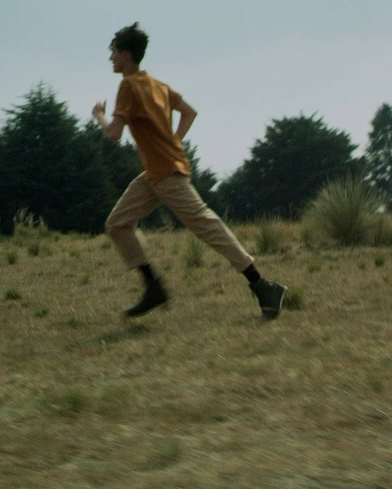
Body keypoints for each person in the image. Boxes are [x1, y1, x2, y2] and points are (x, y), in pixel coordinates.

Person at [92, 23, 286, 319]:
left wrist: (99, 115)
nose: (111, 58)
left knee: (207, 226)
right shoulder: (157, 85)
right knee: (117, 223)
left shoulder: (128, 86)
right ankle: (153, 287)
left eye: (114, 53)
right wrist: (173, 143)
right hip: (156, 174)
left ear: (126, 55)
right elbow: (189, 112)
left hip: (166, 175)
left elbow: (114, 134)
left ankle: (263, 286)